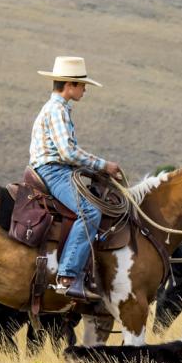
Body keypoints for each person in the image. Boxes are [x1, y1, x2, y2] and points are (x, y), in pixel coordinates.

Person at [30, 56, 124, 301]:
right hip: (53, 171)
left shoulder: (57, 108)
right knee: (90, 212)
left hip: (58, 169)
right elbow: (67, 152)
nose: (84, 90)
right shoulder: (57, 109)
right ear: (70, 85)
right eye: (82, 85)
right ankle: (67, 277)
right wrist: (104, 165)